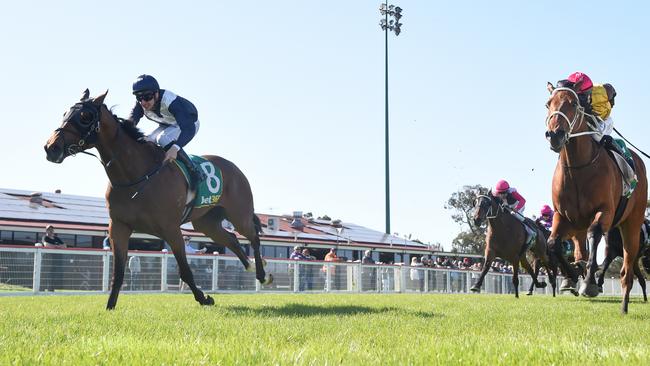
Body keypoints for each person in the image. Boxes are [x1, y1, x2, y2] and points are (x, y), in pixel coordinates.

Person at [128, 74, 205, 191]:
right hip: (168, 125)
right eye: (139, 98)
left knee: (162, 138)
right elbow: (129, 126)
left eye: (147, 97)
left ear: (156, 93)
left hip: (189, 124)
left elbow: (188, 129)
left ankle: (194, 171)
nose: (143, 102)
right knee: (146, 140)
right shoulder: (140, 105)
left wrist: (175, 148)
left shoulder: (170, 101)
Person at [563, 72, 636, 181]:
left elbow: (610, 89)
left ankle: (624, 159)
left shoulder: (600, 92)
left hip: (604, 120)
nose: (582, 99)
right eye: (579, 96)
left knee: (597, 136)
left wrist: (611, 100)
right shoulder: (569, 97)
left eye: (583, 95)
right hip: (587, 120)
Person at [494, 180, 536, 247]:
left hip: (518, 205)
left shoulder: (512, 192)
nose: (502, 195)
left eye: (504, 192)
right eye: (500, 193)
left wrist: (516, 208)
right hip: (508, 207)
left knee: (514, 214)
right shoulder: (496, 194)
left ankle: (531, 231)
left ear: (507, 190)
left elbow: (523, 200)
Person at [41, 225, 66, 292]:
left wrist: (55, 246)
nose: (51, 230)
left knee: (52, 275)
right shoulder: (45, 237)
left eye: (52, 229)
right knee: (44, 274)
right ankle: (41, 290)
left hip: (55, 259)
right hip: (47, 259)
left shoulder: (57, 238)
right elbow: (47, 245)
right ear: (46, 230)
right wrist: (57, 246)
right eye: (49, 229)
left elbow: (64, 246)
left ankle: (51, 290)